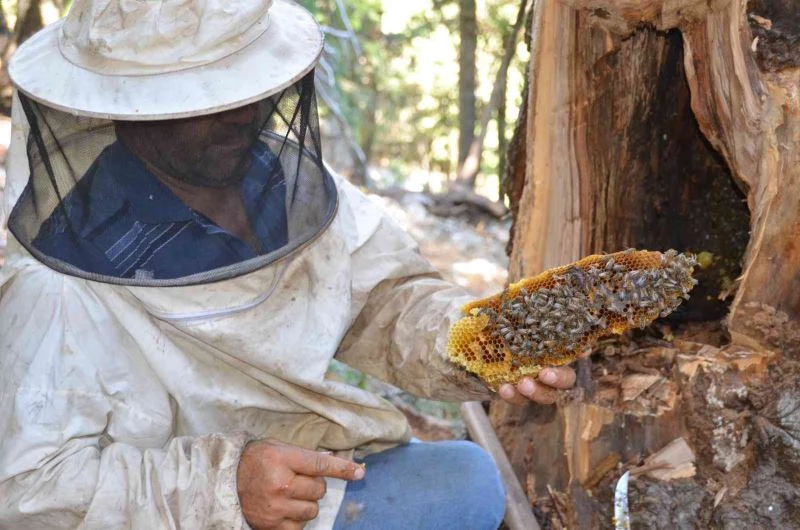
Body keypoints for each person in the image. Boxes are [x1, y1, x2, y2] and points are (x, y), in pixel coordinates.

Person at [0, 0, 583, 528]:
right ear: (126, 111)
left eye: (247, 85)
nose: (242, 113)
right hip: (187, 515)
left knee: (468, 482)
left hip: (305, 479)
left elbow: (385, 301)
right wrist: (221, 490)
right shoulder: (52, 282)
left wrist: (474, 337)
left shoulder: (284, 184)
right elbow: (27, 490)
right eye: (206, 98)